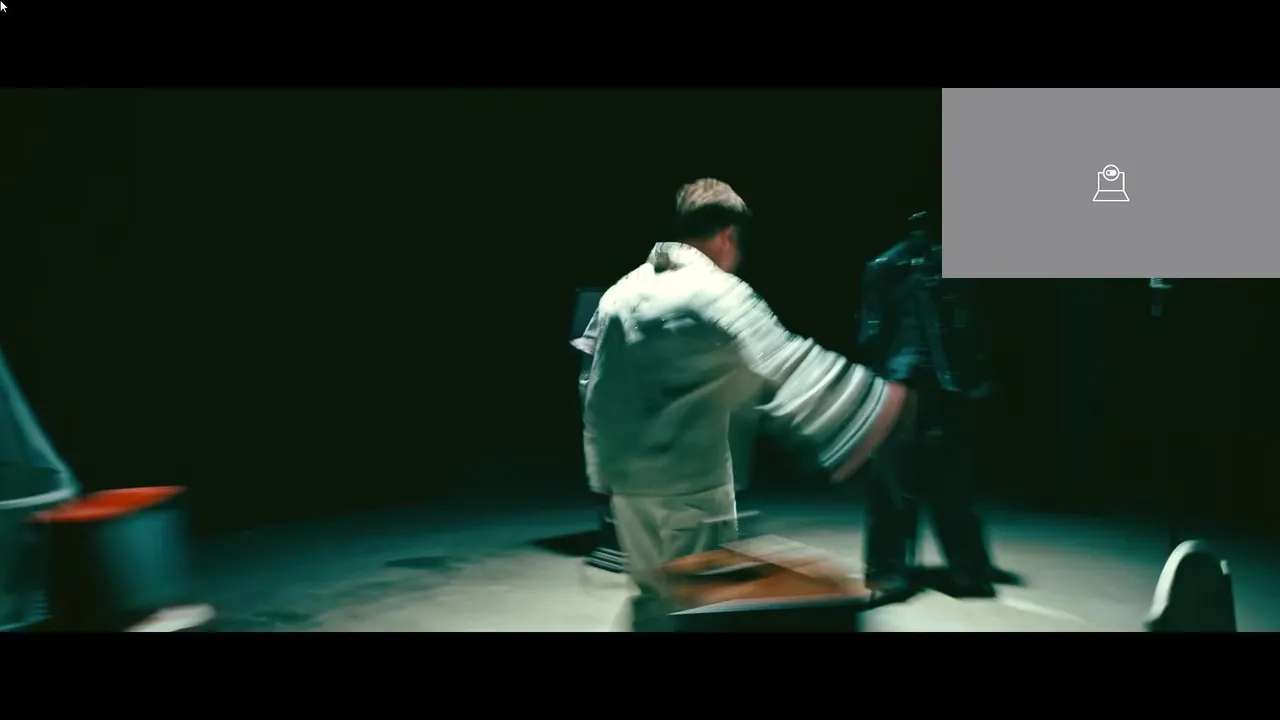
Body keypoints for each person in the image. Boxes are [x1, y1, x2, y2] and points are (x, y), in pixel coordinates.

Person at [580, 178, 914, 630]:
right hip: (689, 491)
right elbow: (784, 360)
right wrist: (876, 404)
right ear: (727, 235)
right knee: (699, 608)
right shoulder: (714, 290)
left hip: (629, 488)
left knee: (654, 596)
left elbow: (594, 387)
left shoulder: (619, 294)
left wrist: (602, 473)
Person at [857, 210, 999, 598]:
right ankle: (965, 570)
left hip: (904, 380)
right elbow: (963, 329)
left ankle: (889, 571)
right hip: (931, 382)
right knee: (947, 479)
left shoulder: (885, 265)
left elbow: (871, 333)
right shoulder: (934, 266)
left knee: (898, 481)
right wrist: (974, 377)